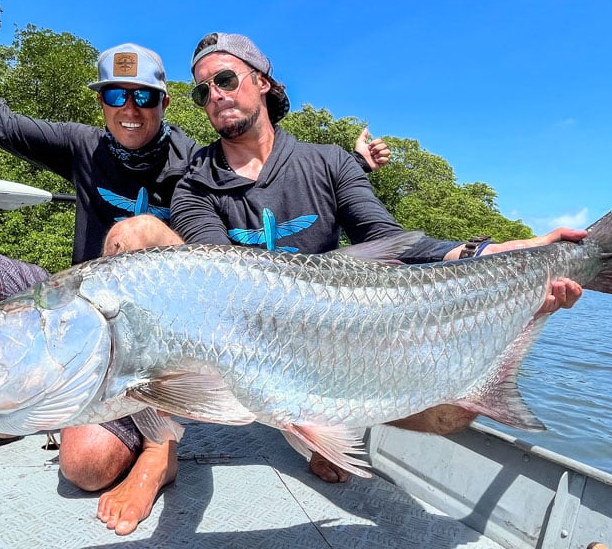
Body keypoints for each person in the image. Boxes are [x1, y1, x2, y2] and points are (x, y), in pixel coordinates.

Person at [0, 0, 389, 535]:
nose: (130, 110)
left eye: (144, 97)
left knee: (85, 464)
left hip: (162, 334)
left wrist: (351, 169)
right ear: (102, 103)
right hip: (76, 304)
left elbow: (265, 190)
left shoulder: (196, 163)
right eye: (115, 96)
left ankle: (161, 448)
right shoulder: (79, 146)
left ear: (164, 103)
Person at [163, 31, 585, 483]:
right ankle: (289, 424)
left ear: (263, 81)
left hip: (339, 336)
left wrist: (494, 251)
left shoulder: (330, 162)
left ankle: (340, 417)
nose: (216, 95)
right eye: (203, 90)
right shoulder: (193, 184)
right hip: (246, 351)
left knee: (454, 412)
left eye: (225, 78)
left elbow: (386, 237)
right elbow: (216, 273)